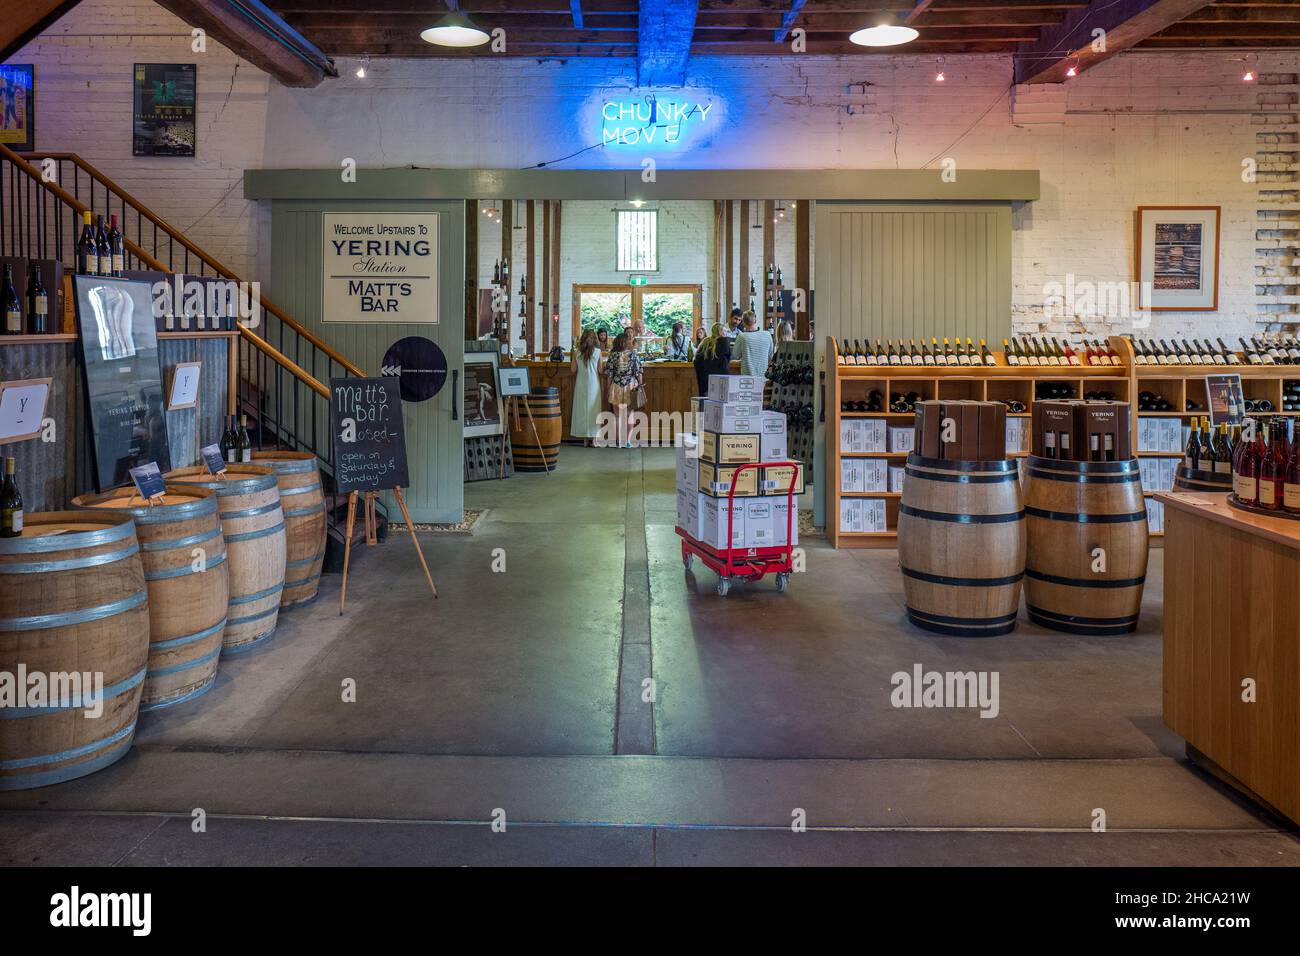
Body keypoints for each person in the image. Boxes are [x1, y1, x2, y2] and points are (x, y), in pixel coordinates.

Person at [605, 330, 643, 447]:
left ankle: (618, 442)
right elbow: (639, 372)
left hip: (616, 385)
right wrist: (640, 386)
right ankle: (627, 441)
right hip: (630, 386)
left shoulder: (612, 355)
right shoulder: (633, 354)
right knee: (629, 415)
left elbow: (609, 374)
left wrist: (608, 389)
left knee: (616, 415)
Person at [570, 329, 603, 445]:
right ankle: (594, 439)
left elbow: (573, 369)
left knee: (582, 409)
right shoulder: (598, 352)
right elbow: (600, 370)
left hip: (581, 383)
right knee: (594, 409)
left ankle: (584, 439)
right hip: (593, 383)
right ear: (595, 339)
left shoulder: (577, 352)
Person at [693, 322, 733, 396]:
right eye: (725, 331)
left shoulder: (705, 341)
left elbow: (696, 360)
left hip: (704, 381)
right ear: (720, 332)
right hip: (720, 380)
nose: (726, 333)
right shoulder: (724, 342)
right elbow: (729, 358)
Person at [734, 310, 775, 377]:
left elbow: (735, 355)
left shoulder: (742, 336)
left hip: (747, 378)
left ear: (743, 323)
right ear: (755, 321)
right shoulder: (767, 334)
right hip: (764, 377)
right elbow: (770, 356)